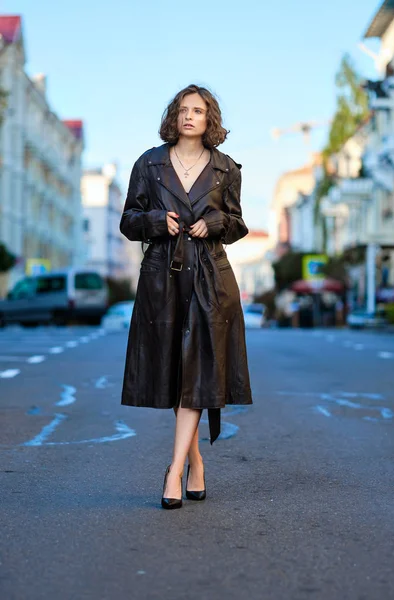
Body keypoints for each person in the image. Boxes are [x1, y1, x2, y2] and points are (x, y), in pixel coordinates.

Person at [119, 84, 252, 510]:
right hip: (163, 278)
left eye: (198, 110)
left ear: (209, 118)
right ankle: (195, 461)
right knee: (178, 373)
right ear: (174, 116)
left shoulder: (226, 168)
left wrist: (214, 223)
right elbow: (128, 220)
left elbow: (237, 224)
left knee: (197, 373)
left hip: (212, 280)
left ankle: (174, 471)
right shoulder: (150, 163)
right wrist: (158, 220)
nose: (189, 116)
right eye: (183, 109)